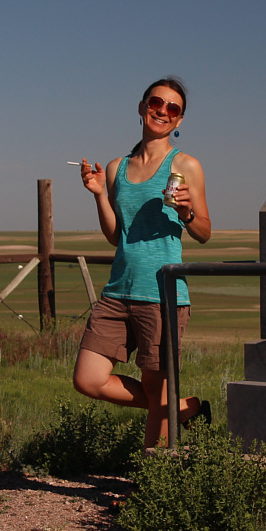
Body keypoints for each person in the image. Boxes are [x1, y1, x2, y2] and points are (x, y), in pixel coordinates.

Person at [72, 77, 213, 449]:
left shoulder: (185, 164)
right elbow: (117, 234)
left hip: (162, 292)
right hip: (119, 289)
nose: (162, 111)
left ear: (179, 121)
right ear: (141, 106)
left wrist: (186, 211)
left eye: (173, 108)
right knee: (88, 379)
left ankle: (150, 485)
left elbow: (204, 232)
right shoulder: (117, 167)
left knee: (157, 388)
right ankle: (183, 408)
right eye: (156, 102)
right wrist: (100, 195)